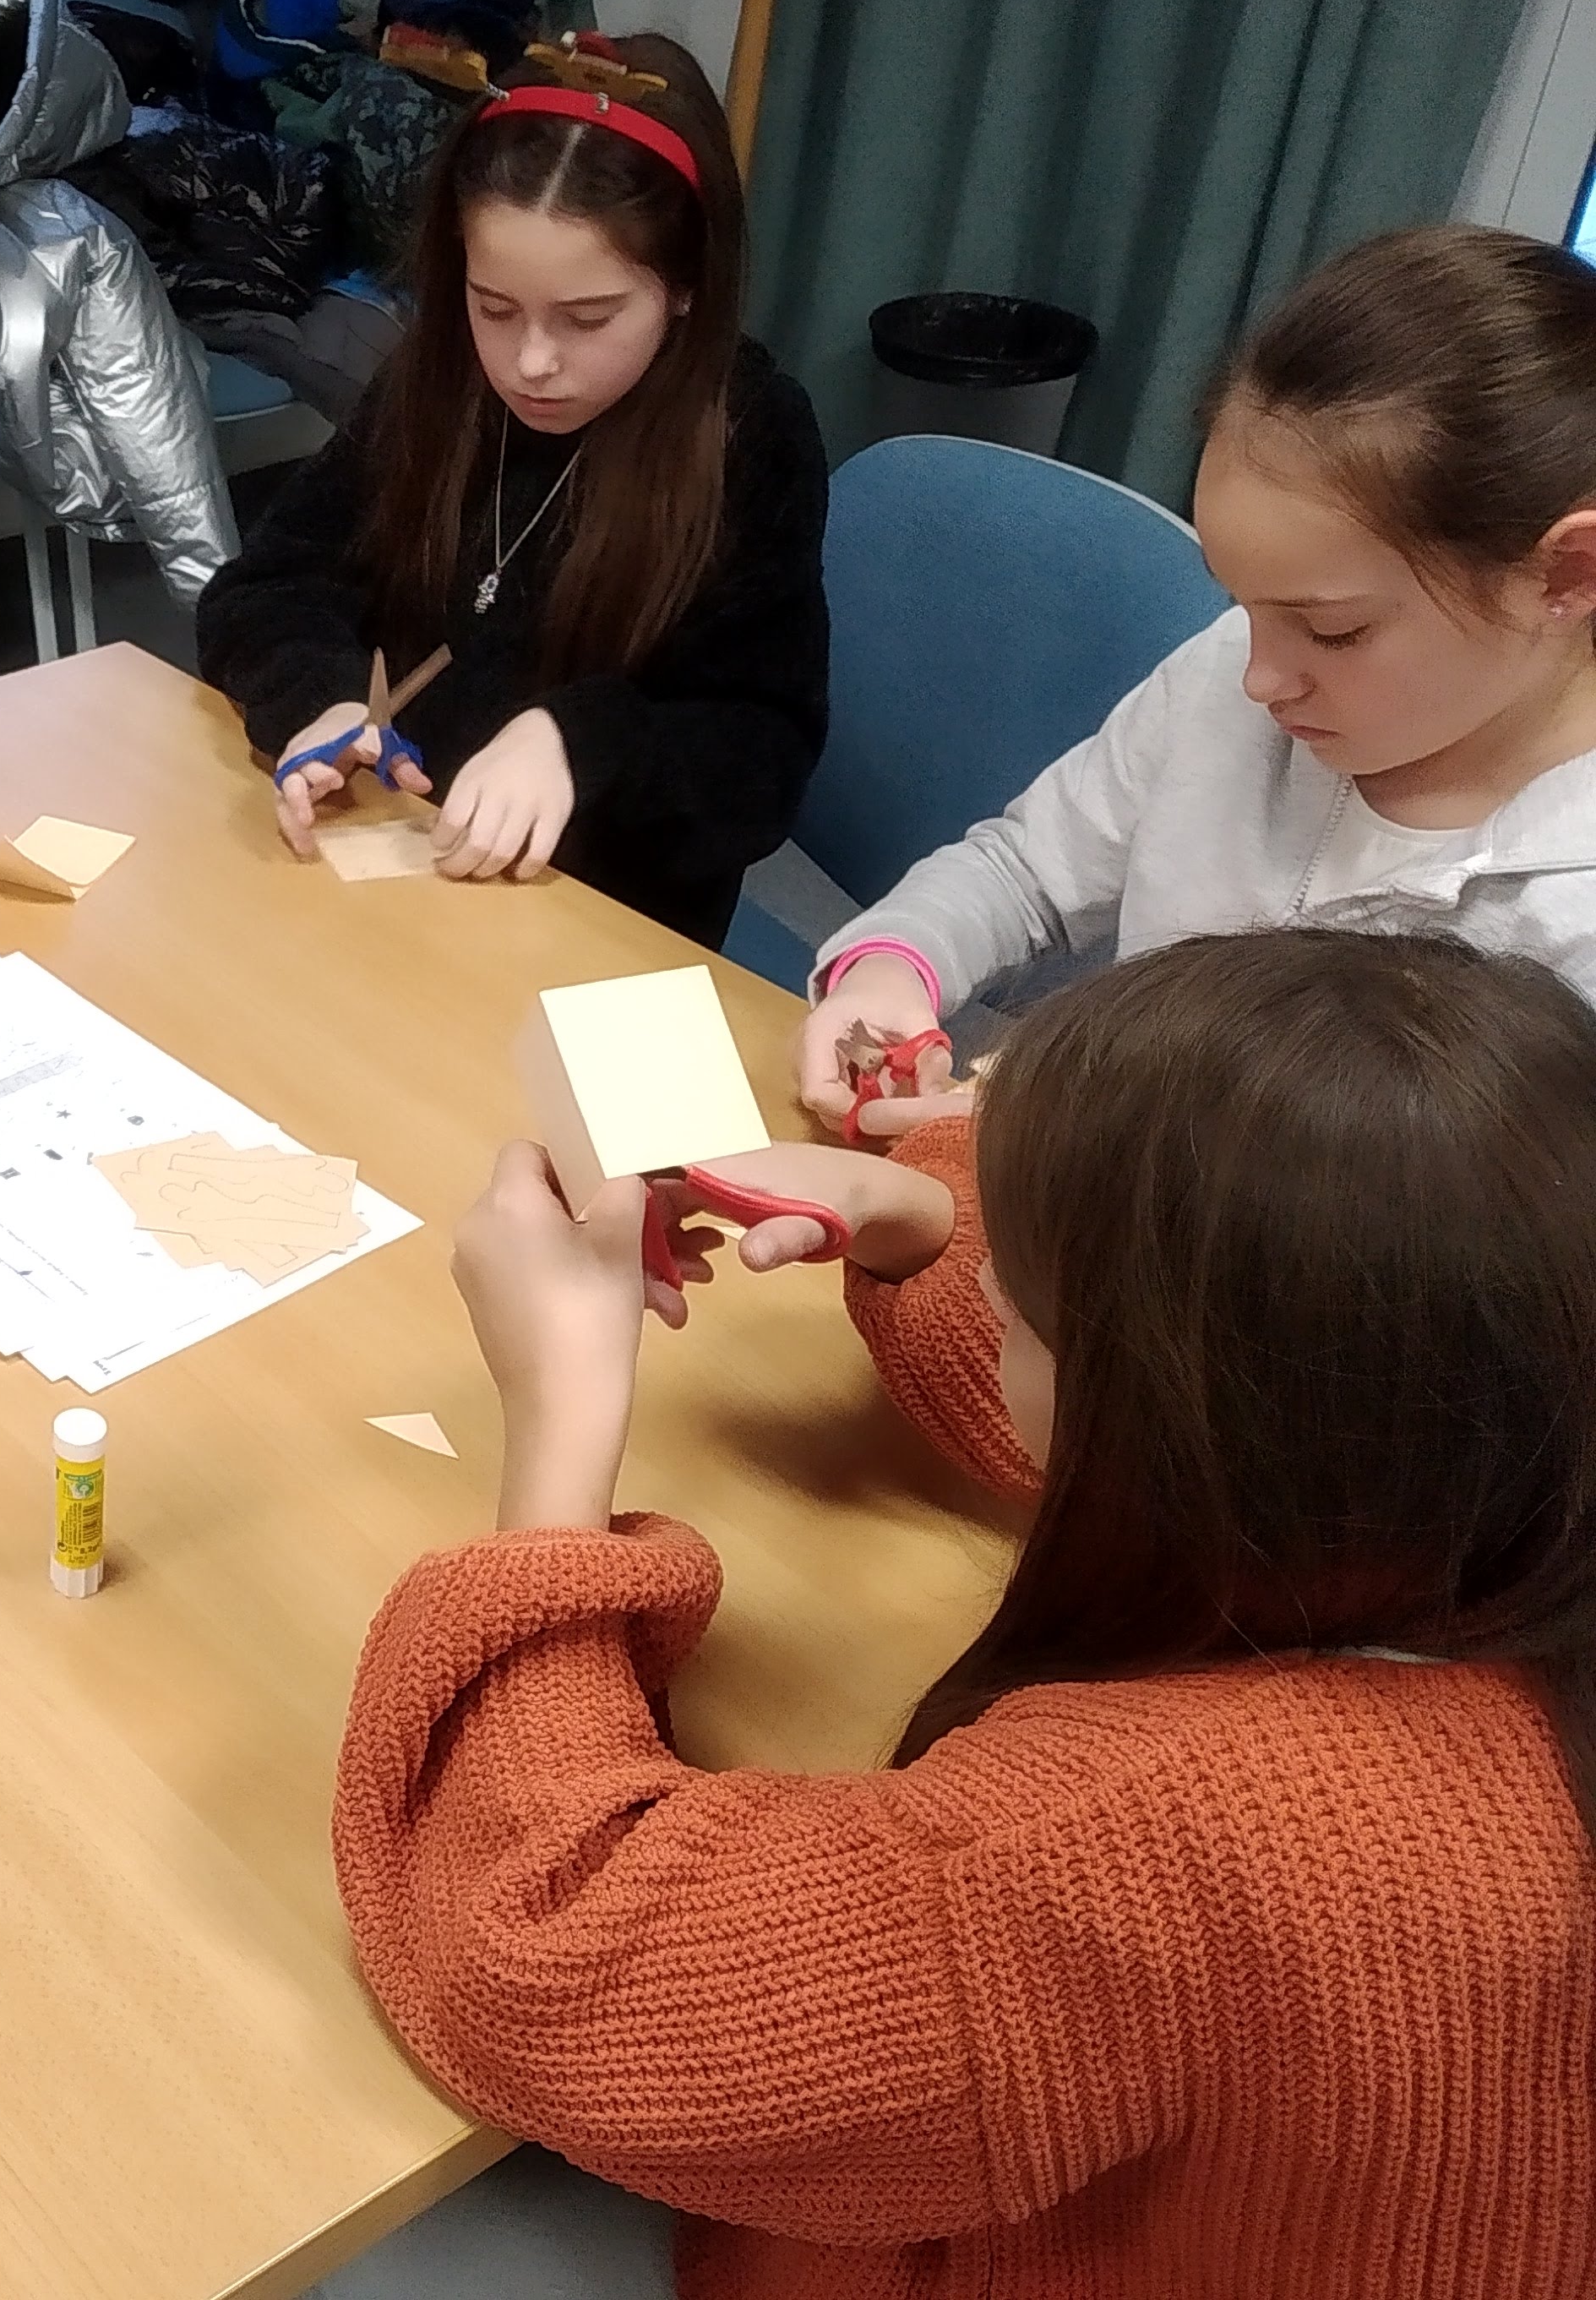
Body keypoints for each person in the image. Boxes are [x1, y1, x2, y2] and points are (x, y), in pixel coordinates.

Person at [324, 929, 1596, 2298]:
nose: (990, 1291)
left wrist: (559, 1432)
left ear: (1168, 1402)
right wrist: (913, 1215)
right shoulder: (1484, 1474)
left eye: (1025, 1303)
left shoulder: (1176, 1849)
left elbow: (547, 1966)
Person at [799, 223, 1596, 1139]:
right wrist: (892, 970)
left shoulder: (1565, 916)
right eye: (1239, 602)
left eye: (1334, 631)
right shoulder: (1229, 678)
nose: (1258, 677)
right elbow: (1024, 875)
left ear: (1566, 576)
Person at [195, 31, 829, 946]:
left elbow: (760, 759)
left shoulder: (750, 434)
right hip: (397, 873)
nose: (530, 362)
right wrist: (323, 698)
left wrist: (580, 743)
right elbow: (264, 588)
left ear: (686, 288)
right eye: (493, 307)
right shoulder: (440, 380)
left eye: (587, 319)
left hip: (601, 923)